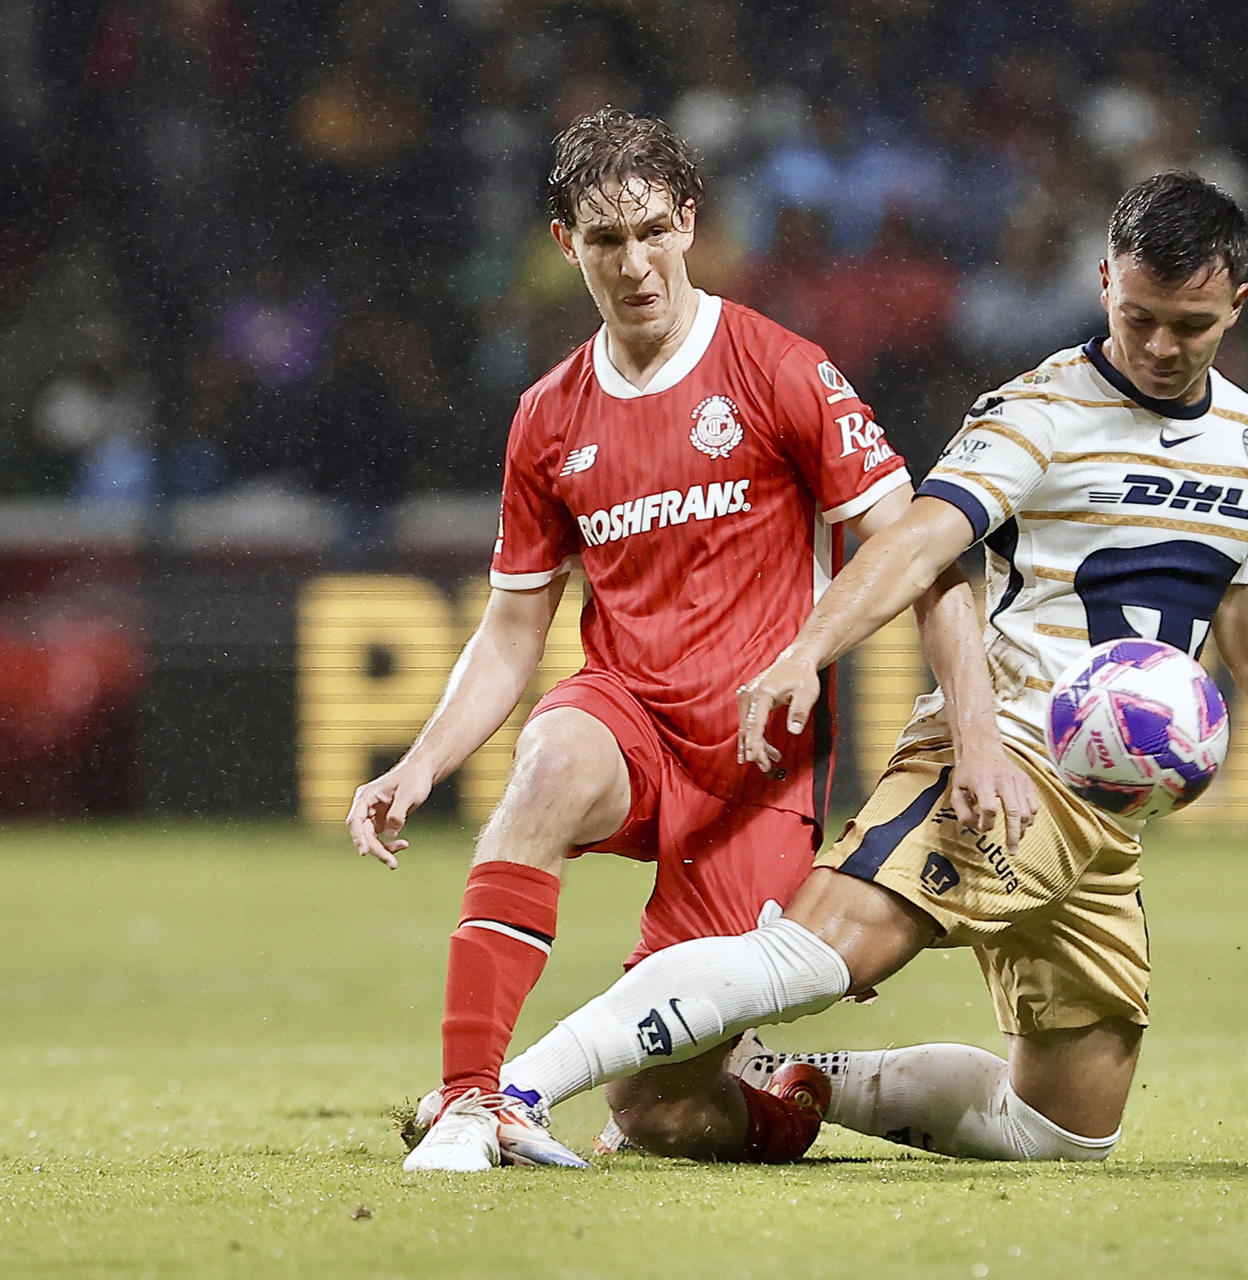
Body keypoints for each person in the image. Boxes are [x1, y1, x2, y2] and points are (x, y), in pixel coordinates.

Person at [488, 171, 1248, 1162]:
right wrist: (809, 648)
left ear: (1236, 305)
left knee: (1063, 1130)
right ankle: (512, 1089)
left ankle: (790, 1078)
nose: (1159, 346)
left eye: (1190, 327)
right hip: (1005, 756)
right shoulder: (1038, 411)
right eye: (1139, 316)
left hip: (1110, 814)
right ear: (1104, 281)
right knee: (816, 957)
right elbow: (921, 542)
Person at [348, 108, 1026, 1172]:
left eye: (654, 231)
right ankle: (473, 1100)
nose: (635, 265)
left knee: (660, 1111)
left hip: (756, 768)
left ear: (691, 224)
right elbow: (514, 625)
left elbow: (925, 560)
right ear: (566, 243)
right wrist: (422, 761)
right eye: (606, 240)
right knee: (547, 763)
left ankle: (788, 1096)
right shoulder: (547, 416)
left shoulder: (780, 370)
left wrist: (976, 735)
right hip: (627, 717)